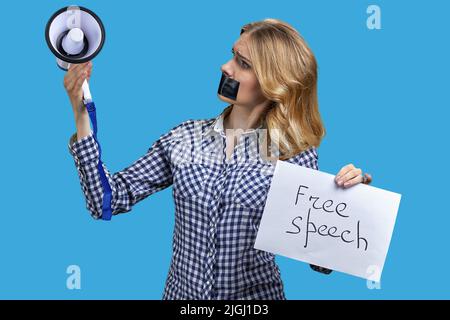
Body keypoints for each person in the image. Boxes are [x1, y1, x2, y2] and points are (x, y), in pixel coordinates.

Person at [64, 18, 372, 300]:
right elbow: (106, 200)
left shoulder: (293, 155)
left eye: (243, 63)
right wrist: (81, 115)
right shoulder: (183, 138)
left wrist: (350, 203)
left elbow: (320, 263)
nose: (226, 67)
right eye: (232, 56)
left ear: (272, 82)